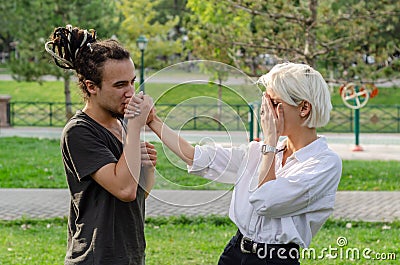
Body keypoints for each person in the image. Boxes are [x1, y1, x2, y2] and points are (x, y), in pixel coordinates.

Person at [126, 62, 342, 264]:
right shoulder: (260, 151)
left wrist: (270, 140)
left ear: (304, 108)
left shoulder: (324, 164)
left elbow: (266, 201)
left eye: (274, 103)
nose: (265, 112)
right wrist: (153, 121)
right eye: (265, 102)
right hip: (236, 251)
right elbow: (195, 156)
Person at [45, 25, 156, 265]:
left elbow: (140, 194)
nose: (130, 93)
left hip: (130, 255)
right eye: (119, 85)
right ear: (91, 87)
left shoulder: (122, 124)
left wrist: (147, 167)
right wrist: (136, 126)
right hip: (95, 257)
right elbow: (124, 190)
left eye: (132, 82)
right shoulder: (79, 132)